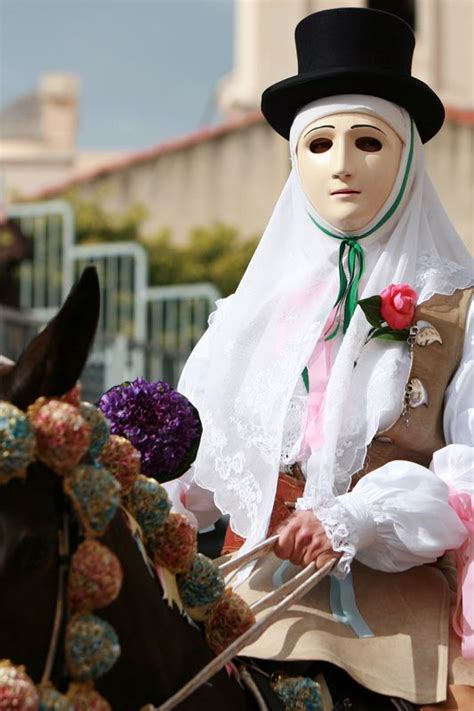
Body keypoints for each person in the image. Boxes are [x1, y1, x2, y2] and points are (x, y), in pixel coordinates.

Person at [164, 8, 473, 709]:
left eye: (367, 141)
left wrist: (358, 517)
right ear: (295, 159)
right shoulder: (247, 314)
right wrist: (167, 502)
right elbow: (202, 458)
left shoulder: (459, 309)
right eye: (319, 143)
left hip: (391, 617)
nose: (341, 164)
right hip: (243, 593)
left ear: (405, 160)